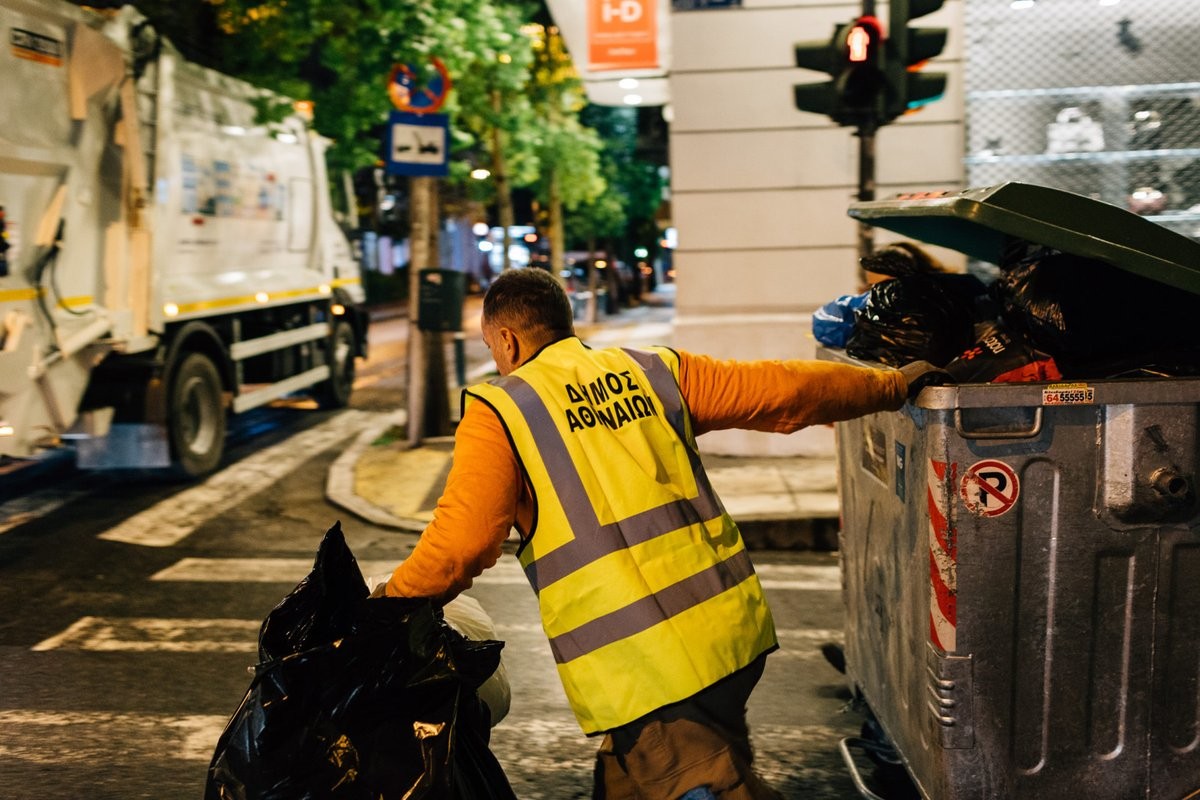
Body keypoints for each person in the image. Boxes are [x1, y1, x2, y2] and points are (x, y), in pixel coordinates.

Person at [383, 267, 943, 799]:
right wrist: (890, 385)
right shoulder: (653, 371)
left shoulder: (502, 410)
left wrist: (389, 603)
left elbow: (461, 545)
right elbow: (784, 389)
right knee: (628, 778)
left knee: (697, 783)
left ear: (505, 340)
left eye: (489, 346)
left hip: (648, 666)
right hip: (728, 633)